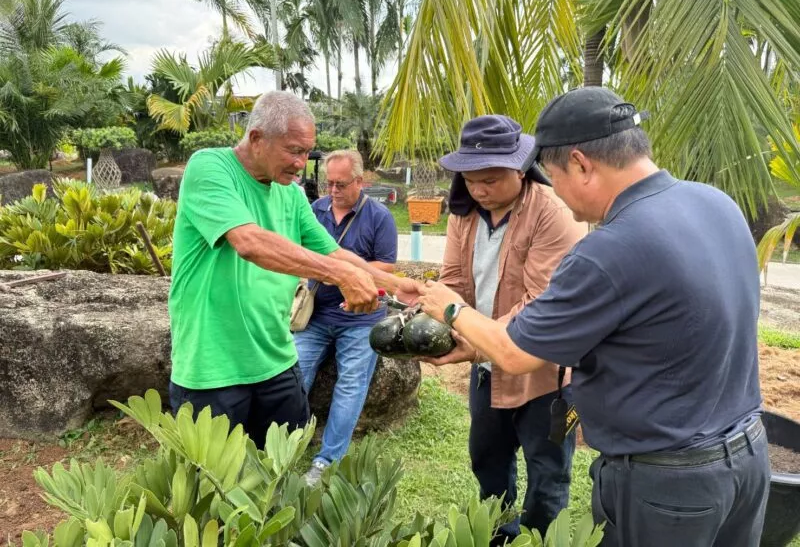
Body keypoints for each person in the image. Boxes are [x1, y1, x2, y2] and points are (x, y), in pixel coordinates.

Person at [418, 87, 770, 547]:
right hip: (747, 457)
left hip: (668, 484)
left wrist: (450, 308)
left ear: (582, 163)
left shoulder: (610, 247)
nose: (553, 190)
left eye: (554, 175)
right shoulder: (716, 203)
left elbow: (515, 353)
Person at [168, 91, 419, 449]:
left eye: (306, 151)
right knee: (215, 488)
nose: (302, 163)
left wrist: (395, 284)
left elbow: (333, 251)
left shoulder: (290, 193)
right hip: (212, 368)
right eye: (294, 150)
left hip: (276, 359)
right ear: (256, 139)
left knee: (278, 473)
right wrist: (341, 277)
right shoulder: (209, 168)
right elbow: (250, 243)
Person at [436, 115, 586, 541]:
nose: (479, 190)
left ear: (520, 169)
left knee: (549, 470)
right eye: (470, 180)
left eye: (490, 180)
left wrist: (473, 340)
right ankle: (500, 533)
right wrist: (437, 318)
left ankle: (538, 537)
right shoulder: (464, 213)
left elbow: (539, 304)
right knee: (487, 459)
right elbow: (453, 280)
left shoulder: (555, 213)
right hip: (487, 371)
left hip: (551, 380)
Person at [295, 150, 398, 485]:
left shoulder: (379, 216)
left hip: (360, 319)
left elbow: (386, 268)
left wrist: (341, 269)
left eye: (340, 183)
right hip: (316, 314)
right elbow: (300, 251)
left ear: (359, 181)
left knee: (351, 385)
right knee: (294, 374)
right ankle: (285, 445)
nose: (333, 189)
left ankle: (327, 460)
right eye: (329, 183)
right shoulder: (316, 209)